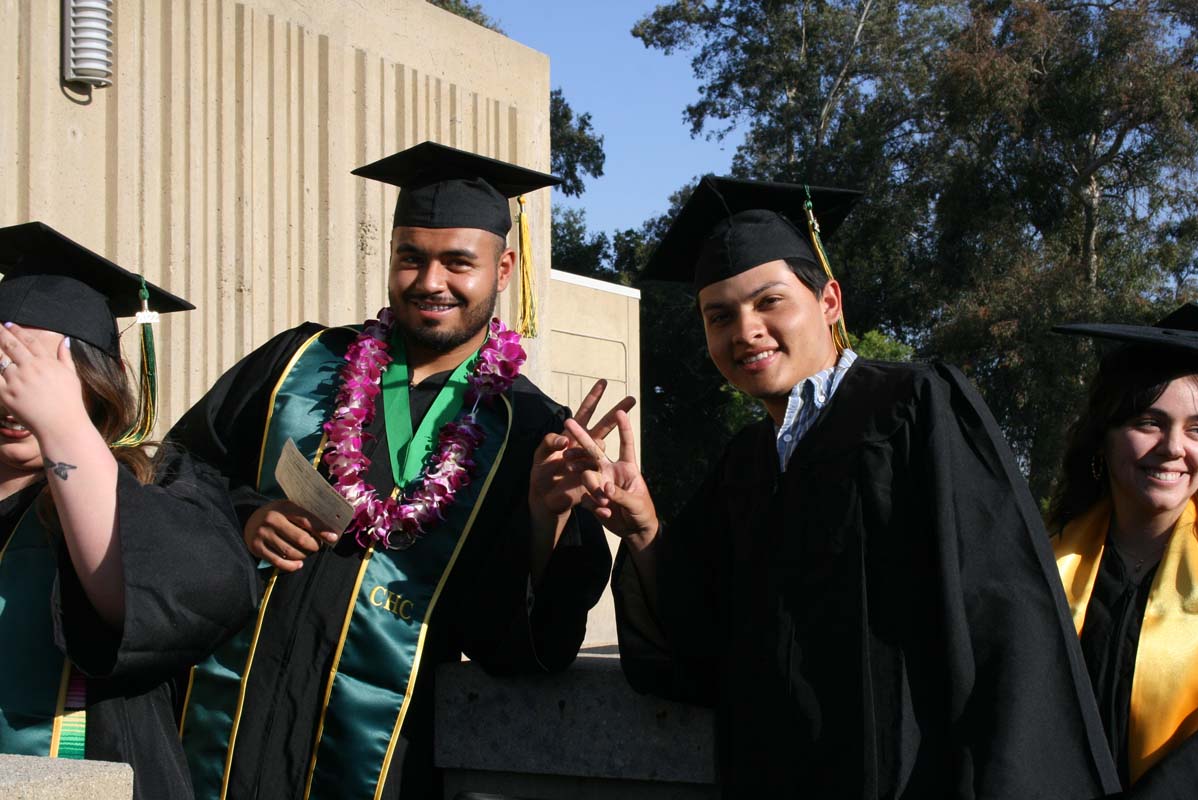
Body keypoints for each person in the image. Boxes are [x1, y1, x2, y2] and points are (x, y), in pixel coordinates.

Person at [565, 176, 1122, 797]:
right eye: (718, 316)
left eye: (769, 301)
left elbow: (1003, 621)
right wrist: (643, 525)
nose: (745, 330)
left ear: (829, 300)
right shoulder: (745, 465)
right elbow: (700, 649)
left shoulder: (913, 408)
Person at [169, 141, 614, 799]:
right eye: (411, 257)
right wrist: (243, 517)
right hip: (219, 722)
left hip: (383, 759)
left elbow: (518, 649)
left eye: (458, 262)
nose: (429, 281)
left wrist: (547, 524)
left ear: (505, 267)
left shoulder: (530, 430)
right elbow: (180, 468)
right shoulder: (302, 363)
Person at [0, 222, 258, 800]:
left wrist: (62, 427)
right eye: (3, 366)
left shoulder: (159, 482)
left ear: (94, 384)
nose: (16, 391)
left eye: (44, 373)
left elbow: (171, 601)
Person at [1049, 305, 1198, 796]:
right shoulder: (1042, 571)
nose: (1174, 447)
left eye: (1197, 429)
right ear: (1104, 439)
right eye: (1148, 422)